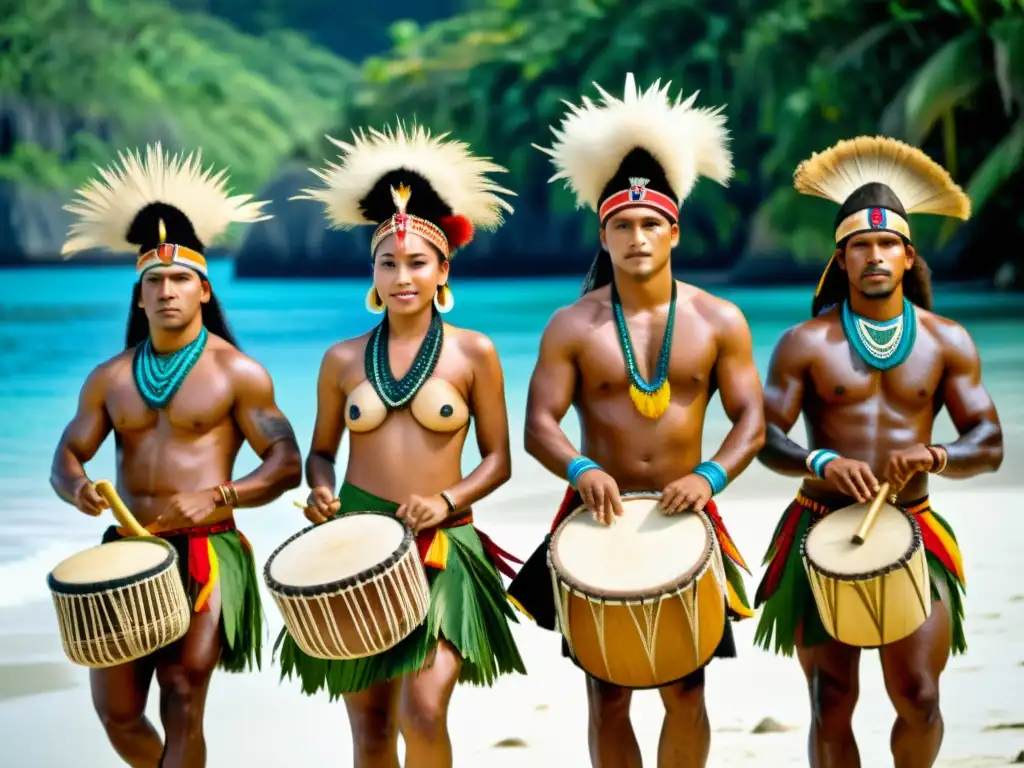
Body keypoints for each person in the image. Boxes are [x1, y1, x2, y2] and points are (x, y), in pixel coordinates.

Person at [506, 73, 767, 768]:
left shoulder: (719, 319)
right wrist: (581, 467)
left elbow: (751, 420)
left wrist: (711, 475)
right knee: (607, 693)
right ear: (604, 233)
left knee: (687, 688)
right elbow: (538, 423)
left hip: (686, 518)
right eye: (622, 225)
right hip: (598, 521)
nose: (637, 236)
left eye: (651, 223)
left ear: (675, 231)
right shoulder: (574, 325)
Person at [276, 121, 527, 767]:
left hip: (443, 542)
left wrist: (446, 499)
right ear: (373, 272)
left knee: (423, 709)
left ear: (443, 268)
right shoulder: (341, 359)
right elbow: (323, 450)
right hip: (358, 543)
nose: (402, 276)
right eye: (388, 263)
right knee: (369, 727)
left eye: (417, 262)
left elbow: (499, 458)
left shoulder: (475, 352)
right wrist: (322, 489)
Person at [753, 135, 1004, 768]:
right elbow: (764, 437)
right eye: (859, 246)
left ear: (907, 254)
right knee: (829, 698)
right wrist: (819, 461)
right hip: (820, 528)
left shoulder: (947, 342)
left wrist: (937, 456)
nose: (873, 256)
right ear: (840, 260)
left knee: (919, 696)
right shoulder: (804, 344)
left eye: (886, 243)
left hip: (913, 531)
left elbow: (990, 443)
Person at [50, 143, 303, 768]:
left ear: (203, 290)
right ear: (139, 297)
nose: (167, 291)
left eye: (180, 280)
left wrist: (221, 495)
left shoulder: (237, 373)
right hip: (127, 550)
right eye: (154, 282)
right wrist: (77, 487)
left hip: (206, 552)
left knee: (184, 694)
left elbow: (286, 460)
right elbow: (66, 454)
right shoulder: (109, 378)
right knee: (117, 715)